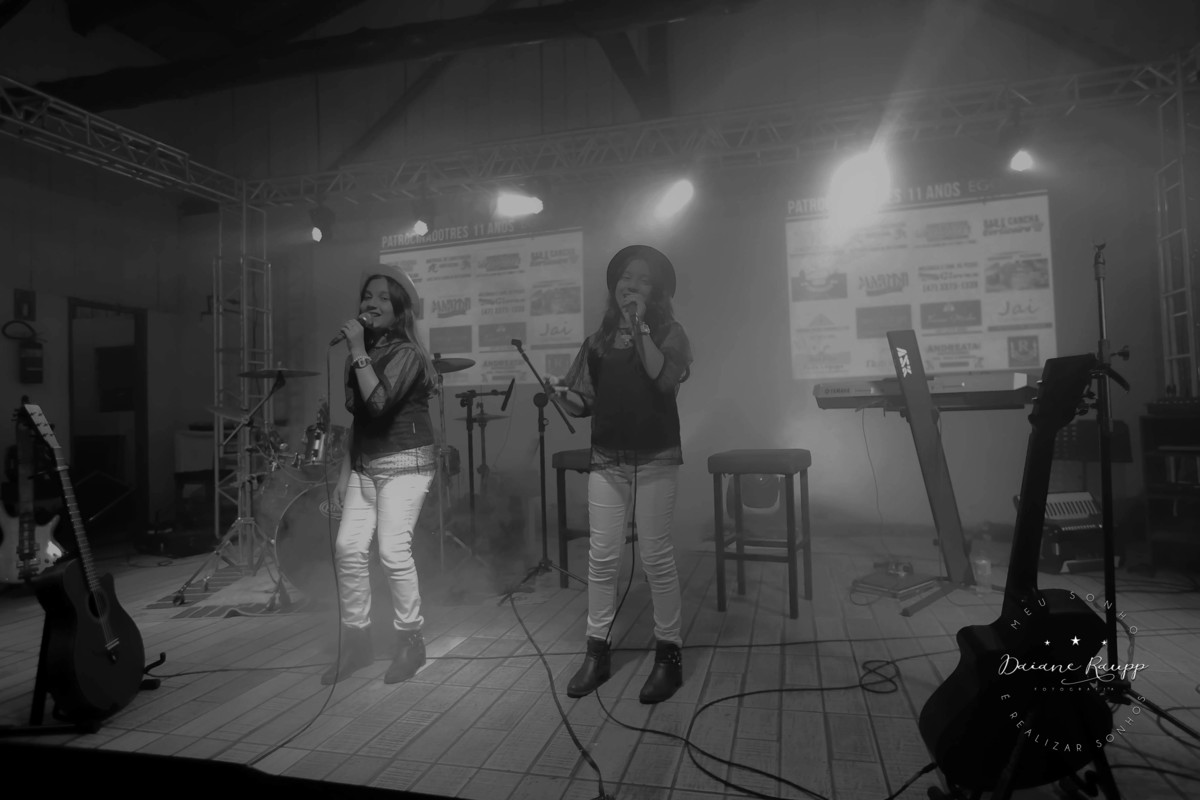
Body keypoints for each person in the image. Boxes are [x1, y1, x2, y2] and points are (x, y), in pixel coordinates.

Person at [549, 245, 693, 704]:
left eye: (643, 279)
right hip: (608, 456)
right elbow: (584, 403)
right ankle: (597, 650)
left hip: (655, 455)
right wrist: (561, 394)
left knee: (655, 556)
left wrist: (640, 326)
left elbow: (661, 377)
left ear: (657, 291)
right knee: (602, 556)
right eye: (626, 277)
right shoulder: (597, 341)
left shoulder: (670, 333)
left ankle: (669, 654)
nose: (632, 285)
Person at [322, 264, 439, 686]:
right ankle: (357, 643)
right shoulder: (359, 357)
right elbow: (360, 422)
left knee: (392, 551)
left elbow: (377, 403)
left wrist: (358, 349)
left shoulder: (407, 353)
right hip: (365, 467)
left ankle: (411, 641)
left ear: (399, 309)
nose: (371, 303)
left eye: (383, 298)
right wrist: (343, 475)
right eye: (367, 296)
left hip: (405, 464)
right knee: (347, 548)